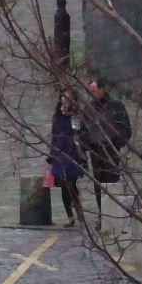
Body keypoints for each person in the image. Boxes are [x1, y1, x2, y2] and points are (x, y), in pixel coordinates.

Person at [83, 75, 132, 217]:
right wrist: (85, 143)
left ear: (102, 89)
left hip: (111, 150)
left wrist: (118, 143)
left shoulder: (116, 105)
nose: (92, 94)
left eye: (94, 90)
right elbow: (80, 126)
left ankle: (113, 212)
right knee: (98, 183)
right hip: (96, 151)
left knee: (112, 181)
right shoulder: (89, 108)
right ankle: (102, 214)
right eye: (90, 91)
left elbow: (125, 127)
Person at [48, 91, 85, 226]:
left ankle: (78, 207)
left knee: (71, 183)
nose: (65, 100)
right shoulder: (57, 116)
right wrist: (51, 154)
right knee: (64, 185)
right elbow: (54, 135)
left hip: (72, 153)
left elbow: (78, 134)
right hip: (59, 154)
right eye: (63, 97)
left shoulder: (75, 116)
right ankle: (70, 216)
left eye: (68, 98)